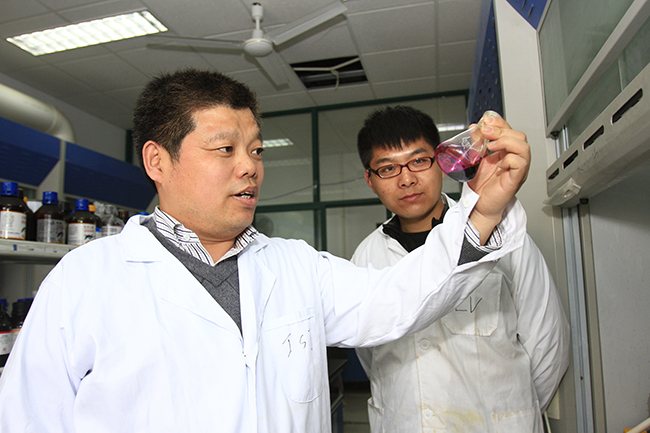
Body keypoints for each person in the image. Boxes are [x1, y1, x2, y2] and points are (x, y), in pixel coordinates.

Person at [0, 70, 531, 433]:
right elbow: (28, 418)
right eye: (225, 149)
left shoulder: (294, 264)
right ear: (158, 161)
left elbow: (402, 297)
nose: (250, 166)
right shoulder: (85, 280)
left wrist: (483, 209)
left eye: (255, 149)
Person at [352, 105, 570, 433]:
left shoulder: (502, 236)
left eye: (419, 161)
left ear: (441, 161)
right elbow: (371, 356)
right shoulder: (365, 258)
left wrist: (514, 413)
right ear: (370, 180)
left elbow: (547, 341)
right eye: (388, 169)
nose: (407, 179)